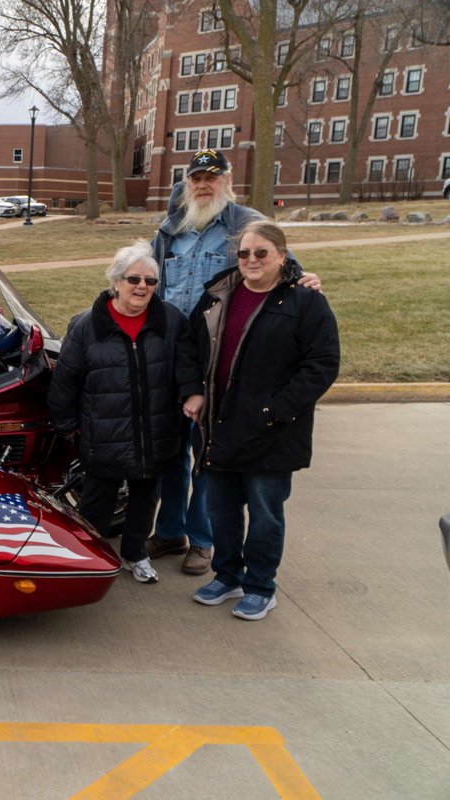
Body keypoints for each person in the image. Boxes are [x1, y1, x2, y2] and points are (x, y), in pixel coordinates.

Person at [147, 149, 321, 576]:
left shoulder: (246, 224)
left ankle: (201, 539)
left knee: (207, 452)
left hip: (217, 359)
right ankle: (169, 531)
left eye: (211, 177)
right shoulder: (171, 229)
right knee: (169, 454)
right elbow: (150, 281)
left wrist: (306, 281)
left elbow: (281, 266)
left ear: (227, 181)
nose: (203, 185)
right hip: (171, 357)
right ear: (186, 184)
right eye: (196, 179)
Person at [180, 221, 339, 620]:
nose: (251, 260)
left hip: (272, 432)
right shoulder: (218, 293)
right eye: (245, 253)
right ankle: (227, 576)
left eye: (261, 253)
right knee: (223, 509)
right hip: (218, 425)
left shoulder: (304, 302)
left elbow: (321, 365)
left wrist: (275, 410)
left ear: (282, 257)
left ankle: (260, 586)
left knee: (265, 513)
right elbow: (188, 344)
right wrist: (193, 391)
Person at [47, 241, 188, 584]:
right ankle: (87, 559)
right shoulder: (86, 325)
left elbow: (187, 368)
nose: (142, 287)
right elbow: (65, 380)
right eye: (133, 279)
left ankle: (135, 554)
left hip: (154, 431)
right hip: (104, 433)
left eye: (150, 281)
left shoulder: (171, 320)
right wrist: (66, 425)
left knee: (144, 498)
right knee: (96, 502)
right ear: (116, 281)